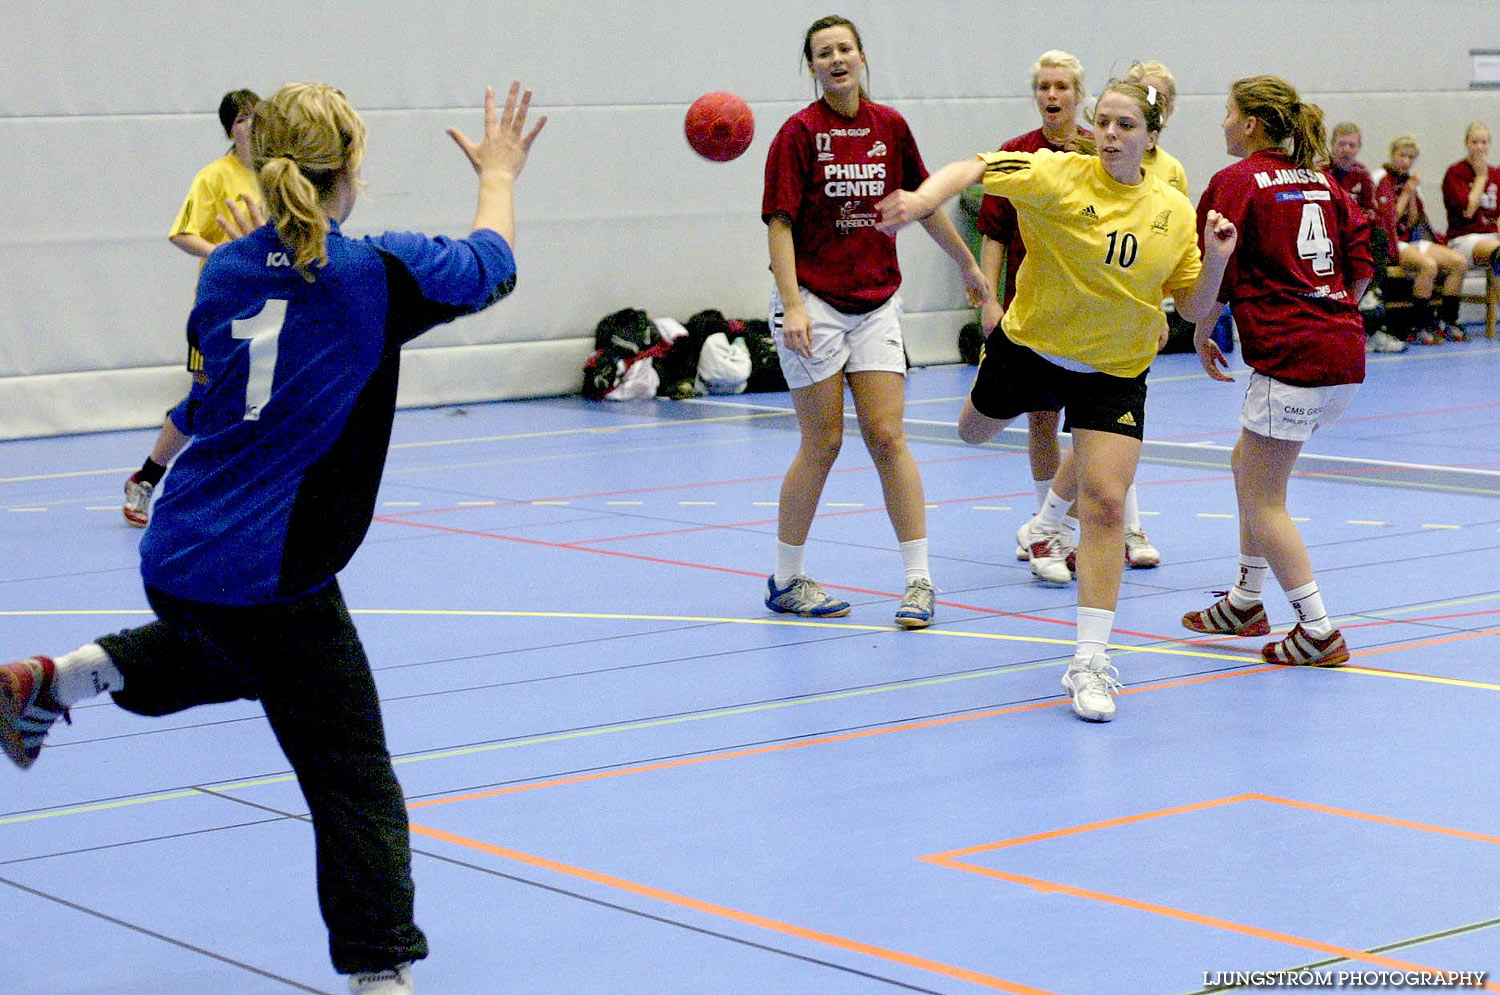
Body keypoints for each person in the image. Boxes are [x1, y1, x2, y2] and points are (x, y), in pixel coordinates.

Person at [1, 80, 546, 995]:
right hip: (275, 569)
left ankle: (56, 681)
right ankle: (381, 973)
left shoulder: (222, 269)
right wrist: (499, 171)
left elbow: (217, 397)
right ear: (353, 168)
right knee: (352, 777)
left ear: (259, 163)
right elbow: (494, 261)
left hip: (177, 554)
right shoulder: (377, 271)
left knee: (230, 655)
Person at [876, 80, 1237, 721]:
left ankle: (1089, 662)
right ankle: (1040, 519)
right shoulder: (1057, 174)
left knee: (1104, 502)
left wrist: (1214, 259)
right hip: (1032, 346)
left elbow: (1193, 306)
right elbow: (976, 168)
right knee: (972, 432)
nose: (1111, 134)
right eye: (1103, 122)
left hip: (1114, 369)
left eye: (1126, 125)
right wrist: (922, 198)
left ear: (1152, 137)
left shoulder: (1176, 211)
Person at [761, 14, 988, 629]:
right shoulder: (798, 134)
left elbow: (924, 202)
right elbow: (779, 227)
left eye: (844, 49)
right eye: (822, 53)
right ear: (811, 66)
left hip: (877, 300)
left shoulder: (889, 127)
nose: (836, 59)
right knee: (825, 442)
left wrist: (968, 265)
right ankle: (786, 578)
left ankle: (919, 582)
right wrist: (797, 304)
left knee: (888, 437)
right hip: (816, 301)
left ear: (862, 56)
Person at [1183, 75, 1373, 670]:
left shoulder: (1234, 183)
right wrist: (1327, 311)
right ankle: (1244, 600)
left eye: (1227, 112)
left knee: (1265, 498)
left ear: (1251, 124)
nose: (1222, 123)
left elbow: (1210, 281)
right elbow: (1364, 265)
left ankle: (1317, 628)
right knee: (1247, 464)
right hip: (1343, 349)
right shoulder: (1325, 181)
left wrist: (1199, 323)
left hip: (1290, 358)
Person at [973, 51, 1092, 579]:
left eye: (1061, 86)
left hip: (1091, 311)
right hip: (1032, 311)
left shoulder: (1099, 151)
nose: (1051, 95)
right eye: (1043, 86)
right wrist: (990, 301)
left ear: (1078, 93)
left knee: (1092, 424)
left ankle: (1065, 525)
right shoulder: (1016, 154)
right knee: (1041, 417)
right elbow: (994, 231)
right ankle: (1051, 529)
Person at [124, 89, 263, 527]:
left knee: (260, 400)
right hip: (218, 309)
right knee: (206, 400)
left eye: (258, 117)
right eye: (242, 119)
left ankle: (245, 493)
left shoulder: (279, 176)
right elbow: (183, 234)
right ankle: (147, 479)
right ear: (230, 130)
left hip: (266, 307)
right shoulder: (214, 177)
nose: (252, 126)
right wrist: (228, 255)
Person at [1376, 134, 1470, 344]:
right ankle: (1420, 324)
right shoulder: (1382, 179)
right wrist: (1406, 194)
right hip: (1392, 242)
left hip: (1410, 240)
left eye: (1411, 157)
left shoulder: (1409, 183)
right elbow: (1389, 220)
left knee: (1459, 263)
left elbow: (1411, 222)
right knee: (1428, 266)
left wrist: (1411, 194)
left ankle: (1448, 320)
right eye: (1402, 155)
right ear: (1392, 155)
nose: (1406, 161)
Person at [1441, 122, 1500, 278]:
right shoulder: (1456, 173)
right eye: (1474, 142)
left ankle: (1495, 301)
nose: (1479, 147)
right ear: (1467, 143)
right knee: (1498, 253)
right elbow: (1467, 212)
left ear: (1490, 144)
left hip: (1491, 236)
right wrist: (1481, 177)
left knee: (1497, 253)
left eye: (1483, 142)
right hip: (1464, 238)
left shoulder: (1496, 173)